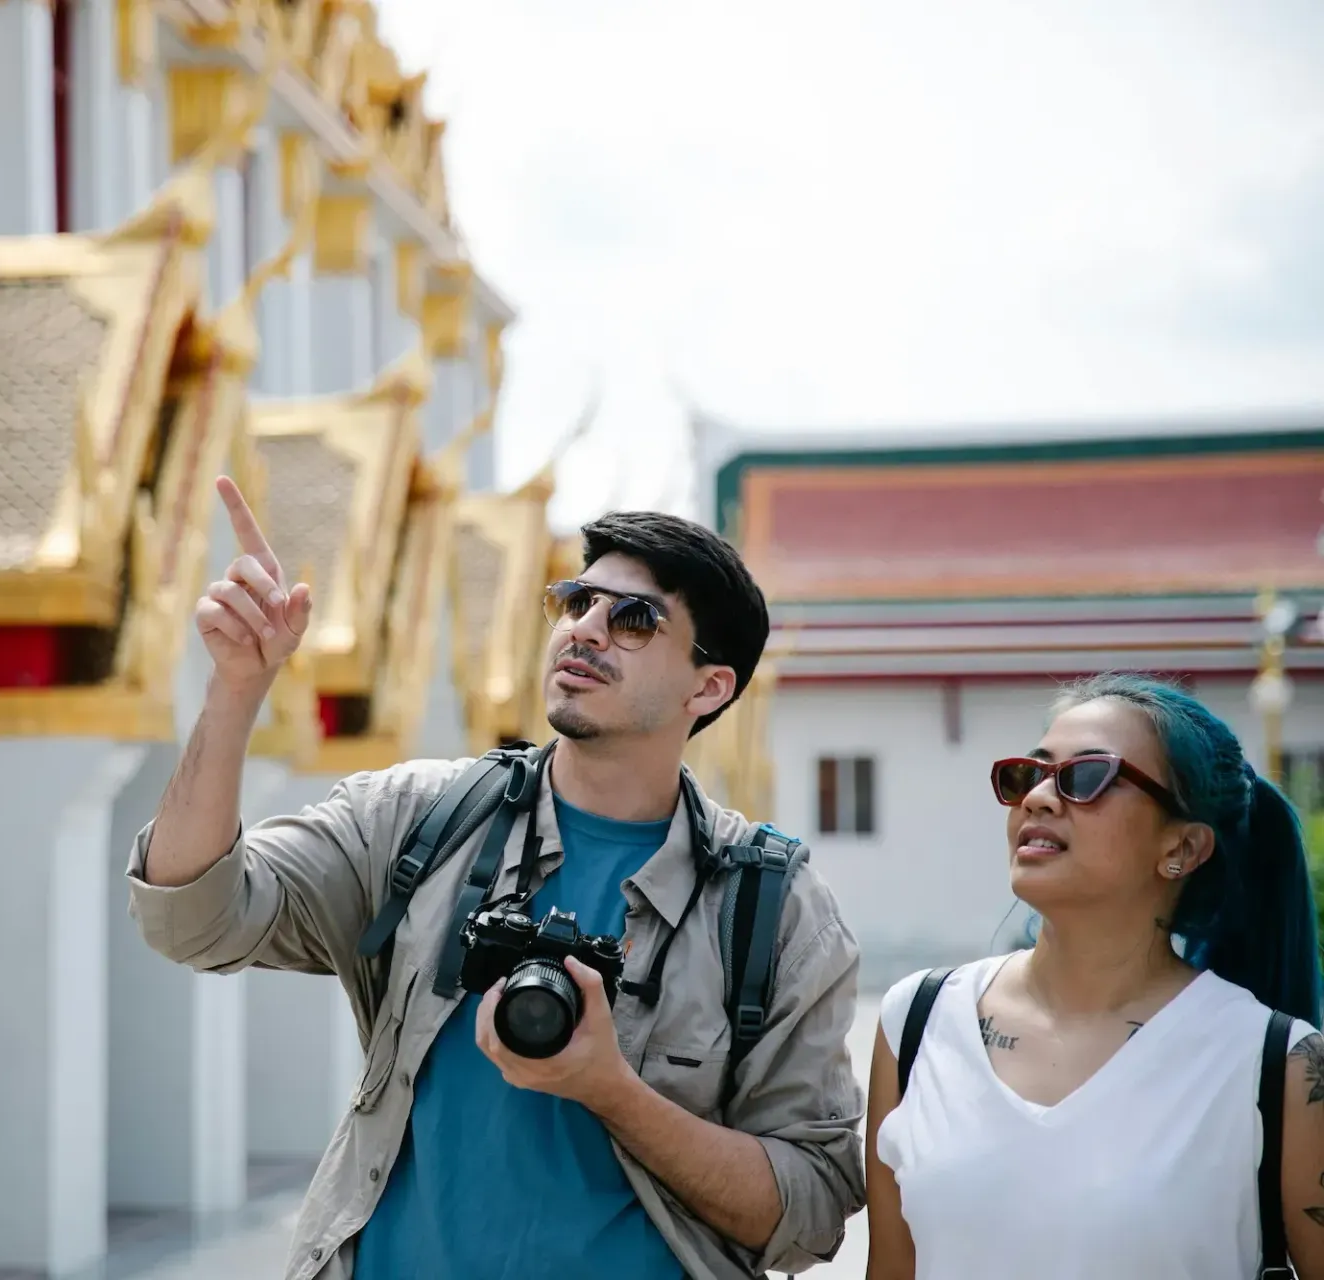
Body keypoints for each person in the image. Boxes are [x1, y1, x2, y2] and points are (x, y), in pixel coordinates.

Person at [127, 477, 865, 1279]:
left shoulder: (772, 909)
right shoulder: (421, 820)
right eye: (577, 602)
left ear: (709, 686)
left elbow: (814, 1206)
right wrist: (236, 692)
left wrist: (610, 1088)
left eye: (633, 619)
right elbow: (191, 916)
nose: (585, 631)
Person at [864, 673, 1324, 1279]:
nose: (1038, 798)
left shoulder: (1278, 1066)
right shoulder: (916, 1022)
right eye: (1030, 775)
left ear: (1182, 848)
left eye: (1086, 778)